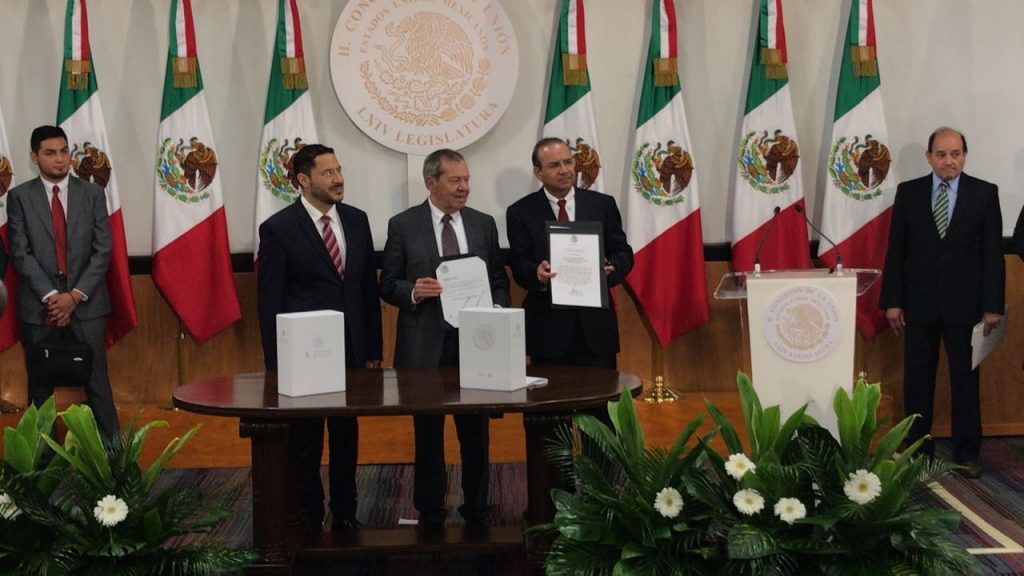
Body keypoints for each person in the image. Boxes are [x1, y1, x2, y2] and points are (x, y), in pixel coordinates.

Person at [380, 149, 509, 529]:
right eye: (455, 180)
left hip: (476, 344)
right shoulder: (403, 225)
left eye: (466, 179)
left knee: (476, 432)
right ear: (430, 182)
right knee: (428, 433)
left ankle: (478, 508)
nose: (464, 187)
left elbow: (499, 280)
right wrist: (413, 291)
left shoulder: (483, 224)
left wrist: (495, 310)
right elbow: (388, 283)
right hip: (424, 346)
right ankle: (430, 511)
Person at [257, 144, 382, 533]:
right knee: (306, 440)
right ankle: (308, 514)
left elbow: (366, 290)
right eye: (328, 173)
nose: (338, 179)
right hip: (304, 357)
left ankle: (345, 511)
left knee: (347, 434)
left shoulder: (357, 220)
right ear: (303, 179)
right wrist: (276, 365)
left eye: (339, 170)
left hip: (352, 351)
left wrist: (374, 350)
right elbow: (269, 302)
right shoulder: (279, 229)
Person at [880, 127, 1004, 479]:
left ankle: (967, 454)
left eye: (955, 154)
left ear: (964, 156)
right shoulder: (909, 193)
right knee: (917, 380)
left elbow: (993, 255)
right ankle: (919, 452)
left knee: (965, 382)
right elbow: (896, 251)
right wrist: (893, 301)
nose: (948, 161)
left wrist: (992, 305)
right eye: (941, 154)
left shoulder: (984, 193)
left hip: (967, 307)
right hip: (919, 305)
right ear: (929, 157)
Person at [7, 125, 119, 441]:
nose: (59, 159)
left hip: (87, 305)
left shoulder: (93, 194)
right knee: (40, 388)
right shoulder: (19, 197)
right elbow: (20, 252)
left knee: (98, 383)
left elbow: (103, 250)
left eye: (64, 151)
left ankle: (115, 461)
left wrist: (75, 296)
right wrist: (53, 296)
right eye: (50, 153)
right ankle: (42, 465)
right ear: (34, 157)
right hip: (39, 306)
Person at [506, 137, 634, 372]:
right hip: (548, 329)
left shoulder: (602, 205)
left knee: (601, 395)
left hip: (595, 328)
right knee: (550, 396)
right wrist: (536, 273)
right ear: (538, 172)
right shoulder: (520, 212)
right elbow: (518, 263)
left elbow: (623, 252)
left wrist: (612, 268)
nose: (564, 170)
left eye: (568, 162)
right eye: (554, 165)